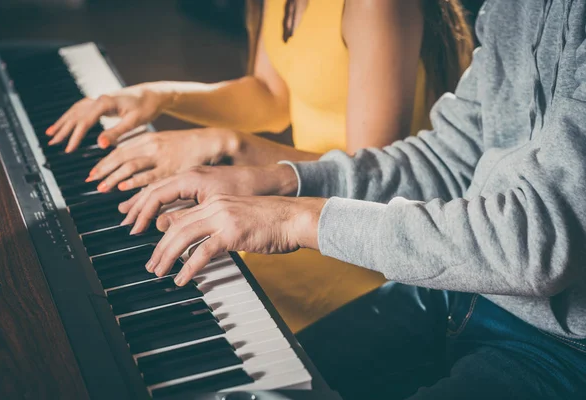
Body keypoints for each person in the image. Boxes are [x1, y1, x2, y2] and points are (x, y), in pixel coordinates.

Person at [113, 0, 586, 398]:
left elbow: (534, 245)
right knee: (248, 383)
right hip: (467, 286)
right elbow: (450, 159)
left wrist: (292, 218)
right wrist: (281, 180)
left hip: (561, 341)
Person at [45, 0, 474, 331]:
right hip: (294, 199)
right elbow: (272, 95)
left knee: (194, 304)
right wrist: (160, 96)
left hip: (355, 237)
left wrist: (223, 144)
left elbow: (374, 174)